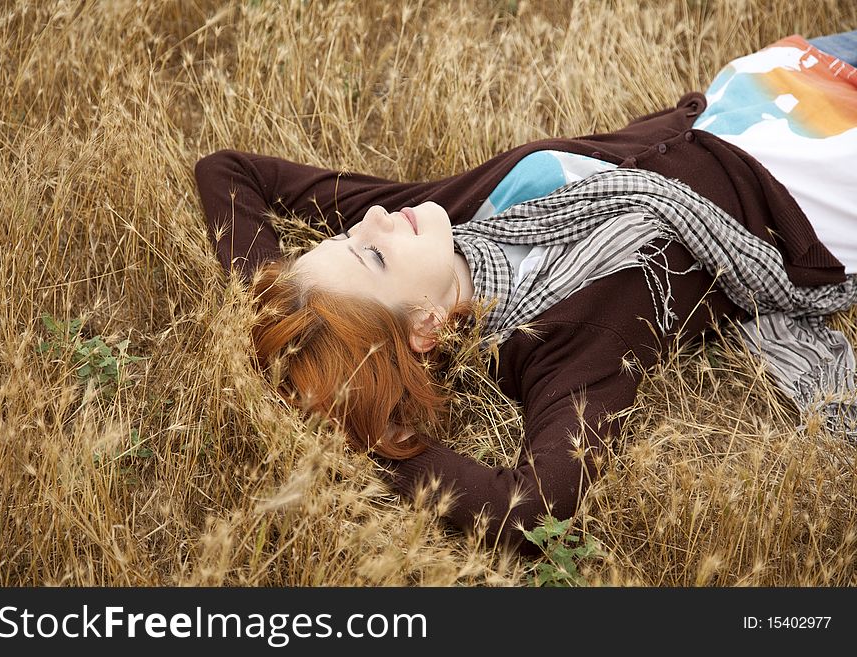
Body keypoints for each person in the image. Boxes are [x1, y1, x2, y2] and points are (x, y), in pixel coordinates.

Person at [194, 31, 857, 553]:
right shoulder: (565, 345)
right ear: (425, 327)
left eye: (348, 236)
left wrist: (284, 315)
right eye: (369, 255)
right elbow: (531, 512)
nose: (370, 221)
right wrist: (362, 433)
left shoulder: (443, 218)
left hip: (778, 82)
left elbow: (227, 173)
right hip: (827, 176)